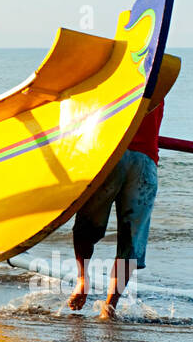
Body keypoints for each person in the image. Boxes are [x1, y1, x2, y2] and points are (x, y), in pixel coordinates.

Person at [67, 100, 163, 320]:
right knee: (130, 242)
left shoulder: (114, 71)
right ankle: (109, 307)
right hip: (146, 162)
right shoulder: (160, 76)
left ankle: (83, 280)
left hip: (113, 154)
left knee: (86, 227)